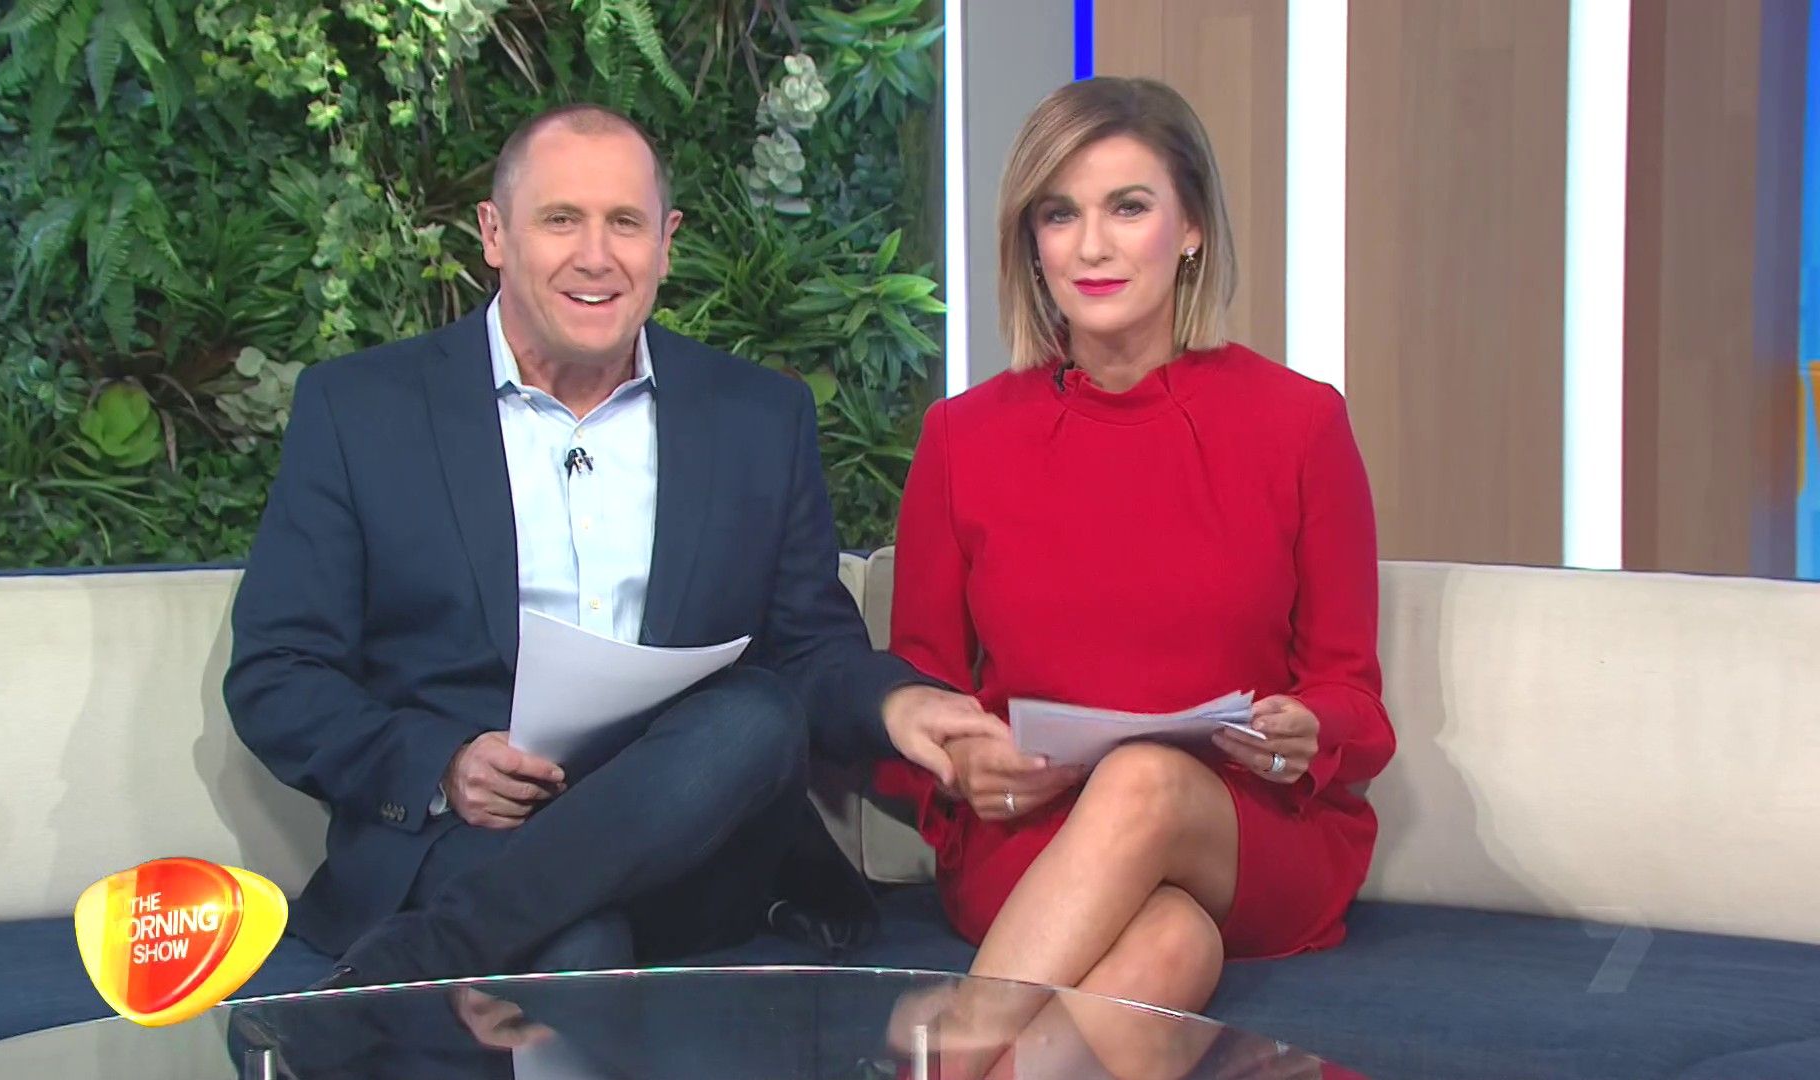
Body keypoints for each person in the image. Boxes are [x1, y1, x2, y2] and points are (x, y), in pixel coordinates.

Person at [224, 102, 1001, 987]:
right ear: (495, 234)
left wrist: (896, 704)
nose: (596, 256)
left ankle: (435, 954)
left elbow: (809, 649)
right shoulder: (363, 411)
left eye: (625, 223)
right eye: (561, 220)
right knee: (576, 947)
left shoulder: (755, 417)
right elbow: (278, 672)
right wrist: (442, 765)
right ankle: (477, 936)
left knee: (754, 715)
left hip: (694, 841)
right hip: (471, 835)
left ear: (665, 244)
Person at [875, 76, 1398, 1029]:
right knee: (1170, 946)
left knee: (1144, 778)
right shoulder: (962, 439)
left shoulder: (1301, 424)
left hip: (1247, 832)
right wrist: (960, 768)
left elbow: (1355, 703)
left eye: (1128, 207)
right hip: (1032, 836)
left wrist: (1305, 727)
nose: (1092, 246)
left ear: (1190, 225)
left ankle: (951, 1045)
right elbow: (922, 693)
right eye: (1060, 214)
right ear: (1032, 242)